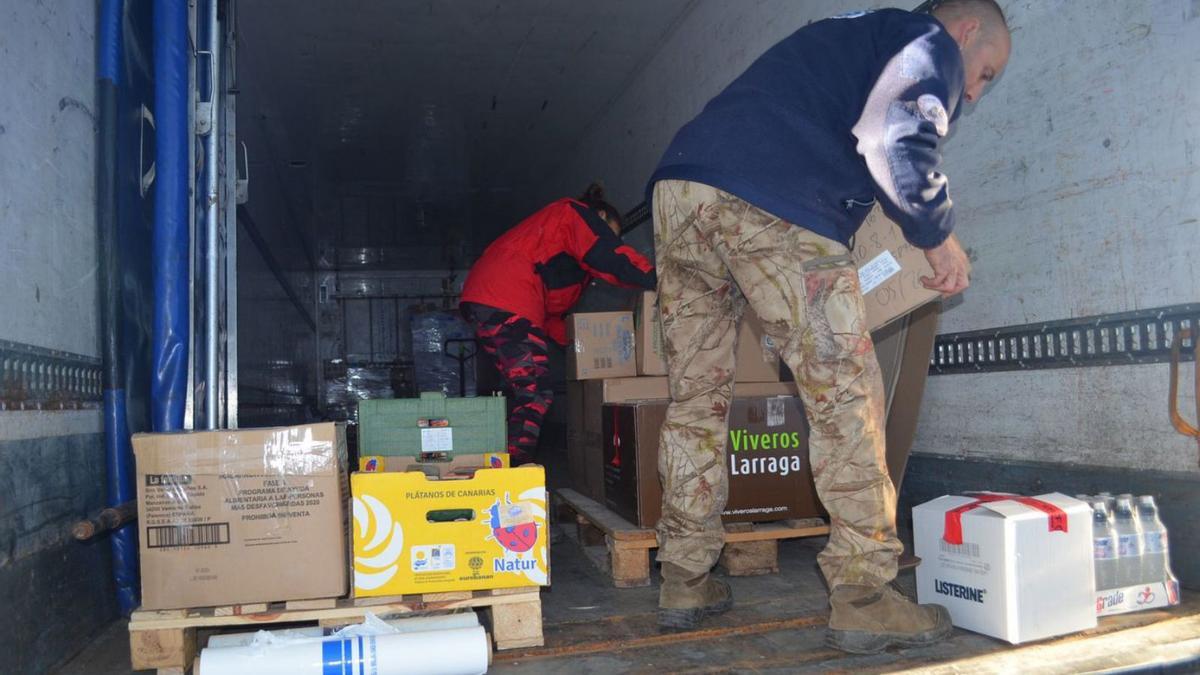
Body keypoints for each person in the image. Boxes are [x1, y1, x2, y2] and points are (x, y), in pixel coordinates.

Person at [646, 0, 1011, 653]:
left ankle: (684, 577)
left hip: (683, 190)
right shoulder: (925, 41)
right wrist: (938, 237)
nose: (974, 93)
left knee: (696, 399)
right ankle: (864, 595)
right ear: (967, 30)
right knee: (844, 391)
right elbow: (897, 138)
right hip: (771, 197)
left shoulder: (848, 41)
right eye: (984, 73)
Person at [461, 184, 656, 465]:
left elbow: (552, 317)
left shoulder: (568, 268)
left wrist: (585, 349)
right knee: (535, 390)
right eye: (611, 231)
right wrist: (655, 277)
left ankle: (505, 462)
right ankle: (514, 469)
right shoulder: (570, 214)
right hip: (505, 294)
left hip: (493, 300)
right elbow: (607, 253)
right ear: (598, 216)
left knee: (529, 389)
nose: (611, 238)